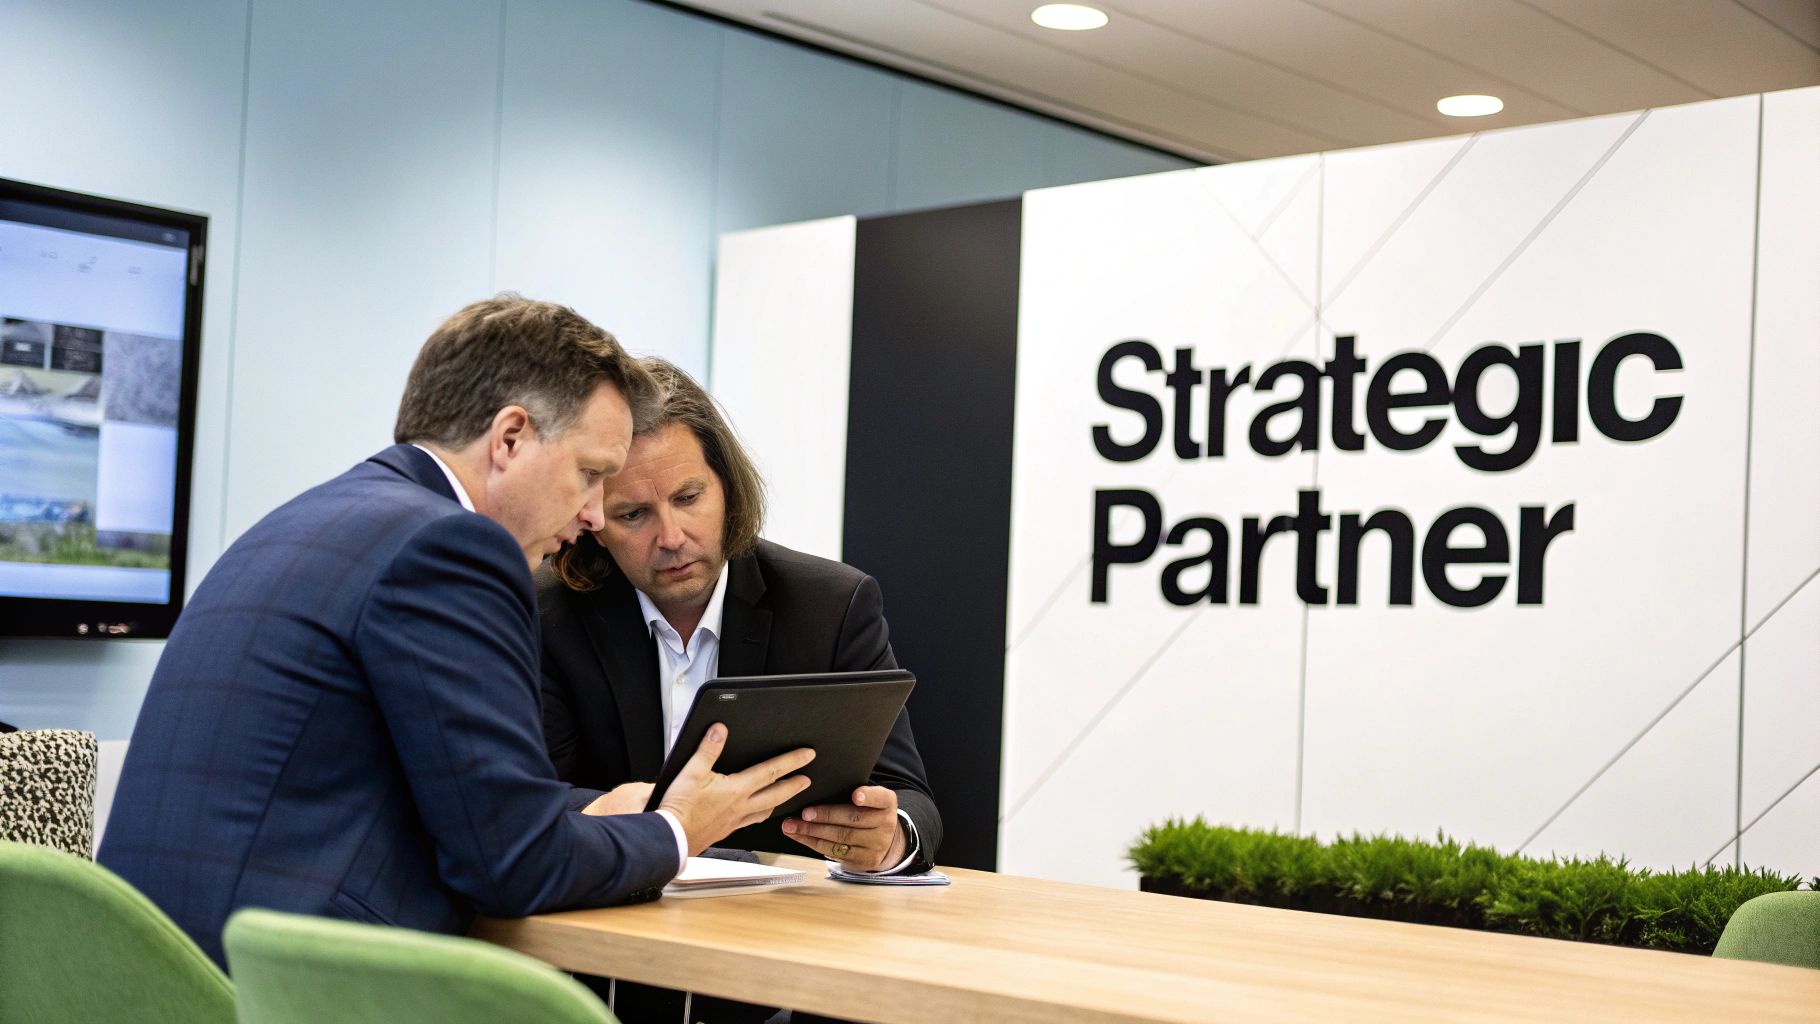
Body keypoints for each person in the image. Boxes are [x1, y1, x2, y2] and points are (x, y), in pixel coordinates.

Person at [99, 297, 814, 967]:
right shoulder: (453, 549)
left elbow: (447, 791)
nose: (595, 514)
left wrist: (593, 808)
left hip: (155, 968)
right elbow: (513, 865)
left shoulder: (309, 520)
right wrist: (678, 828)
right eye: (590, 473)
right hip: (277, 981)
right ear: (509, 438)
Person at [538, 358, 941, 874]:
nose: (671, 537)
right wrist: (614, 811)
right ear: (590, 519)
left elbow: (910, 798)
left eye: (688, 497)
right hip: (603, 914)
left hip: (776, 926)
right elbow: (522, 799)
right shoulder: (544, 610)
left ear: (727, 486)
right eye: (632, 514)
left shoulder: (832, 605)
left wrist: (887, 839)